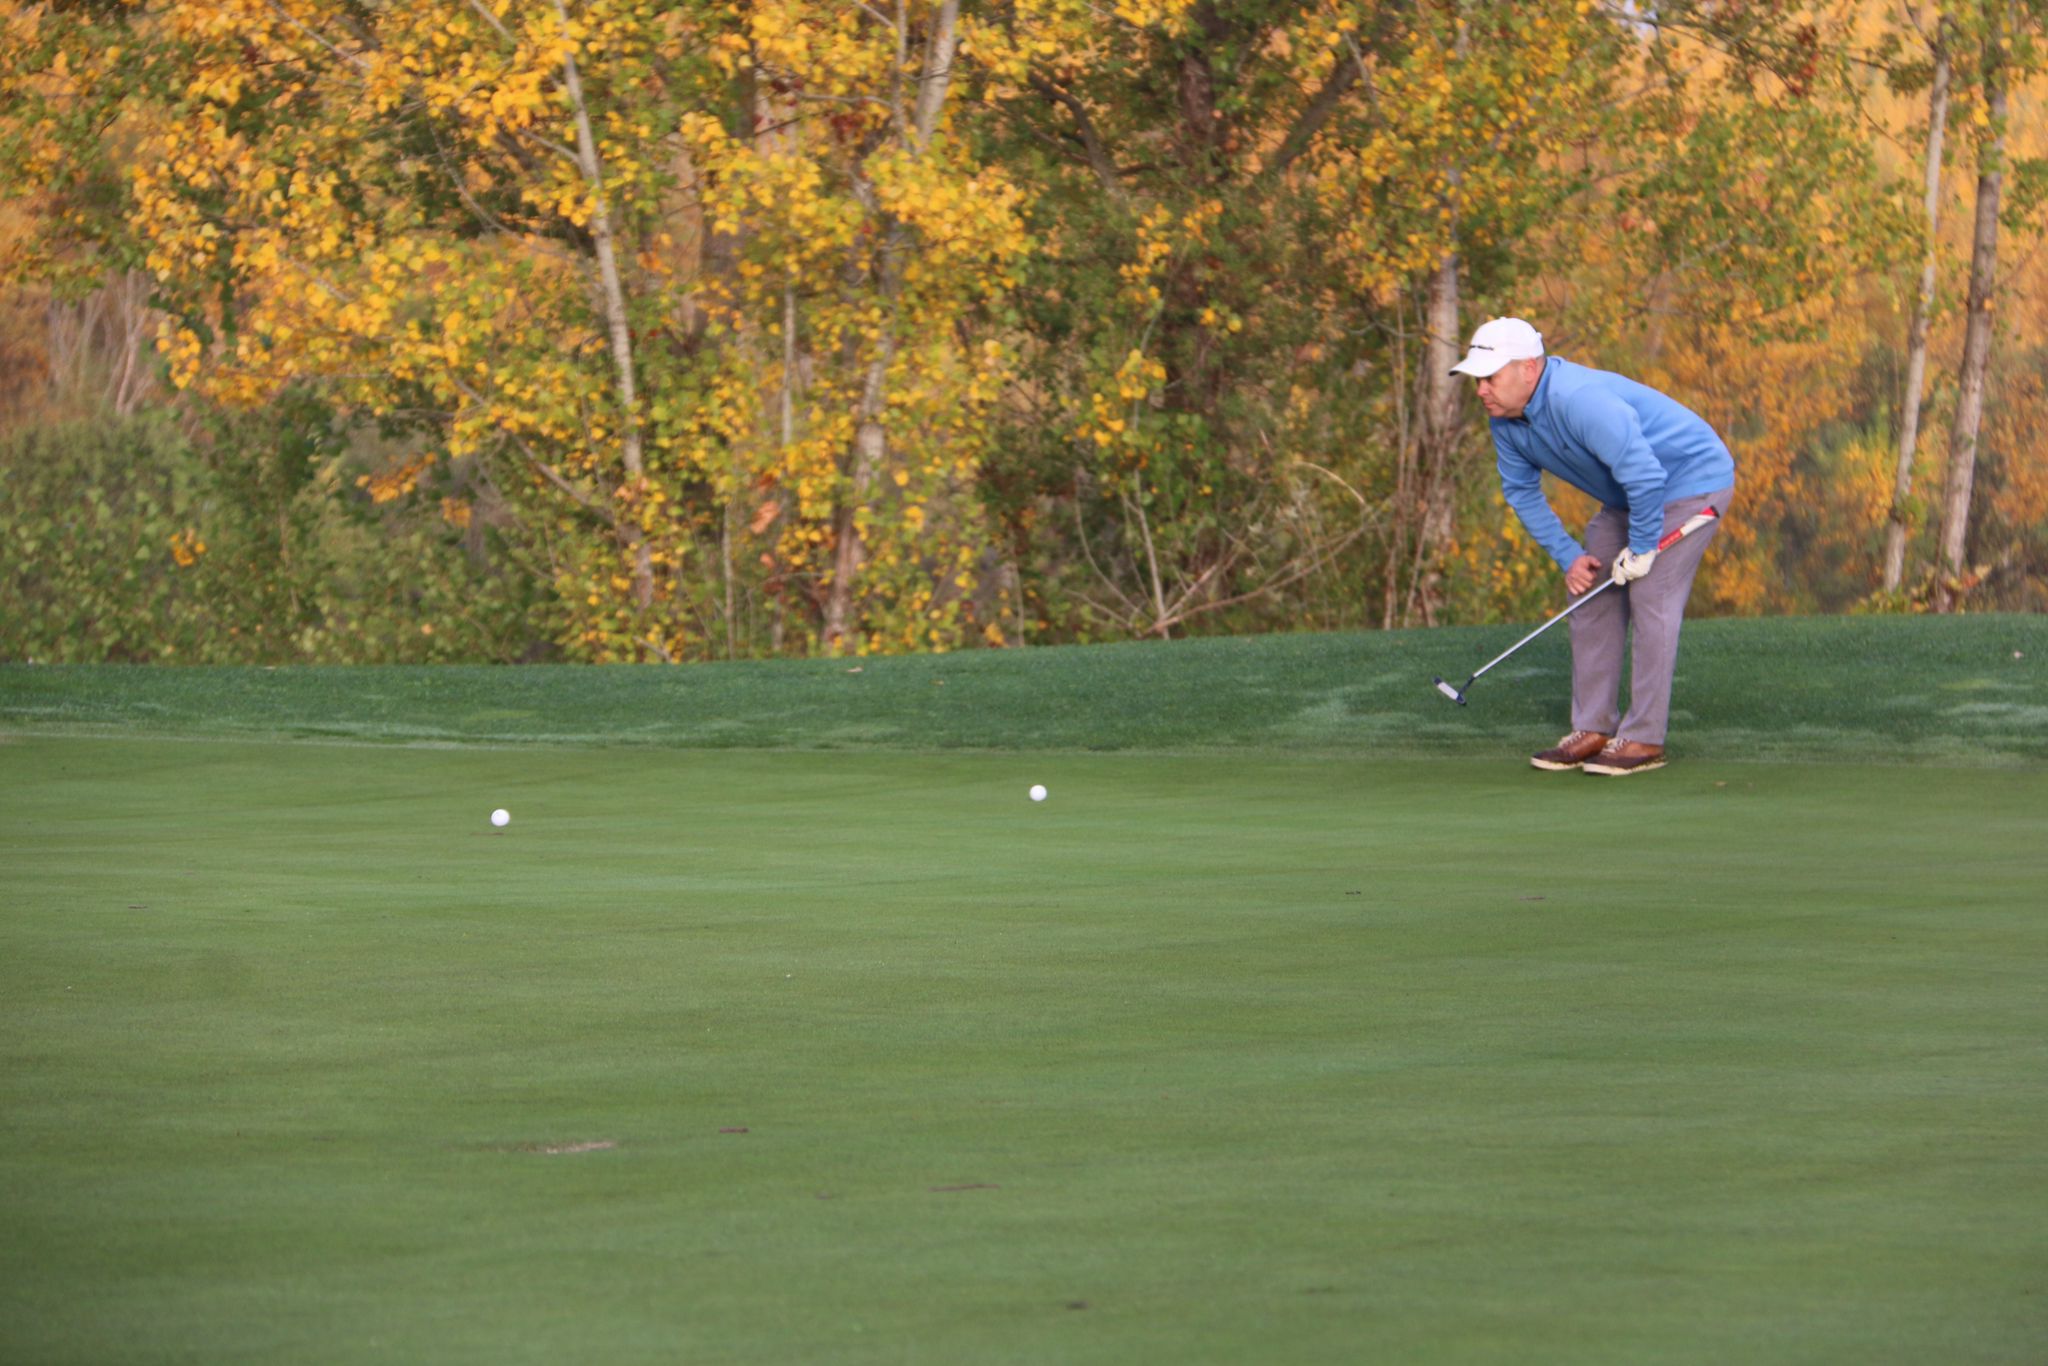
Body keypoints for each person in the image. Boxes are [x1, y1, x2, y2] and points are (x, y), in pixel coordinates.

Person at [1450, 317, 1735, 776]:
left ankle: (1643, 739)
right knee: (1590, 588)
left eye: (1490, 377)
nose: (1481, 389)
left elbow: (1646, 475)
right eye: (1477, 379)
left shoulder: (1579, 400)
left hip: (1691, 484)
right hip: (1630, 495)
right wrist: (1568, 556)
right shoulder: (1506, 421)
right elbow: (1522, 492)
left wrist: (1642, 547)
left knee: (1650, 593)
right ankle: (1593, 728)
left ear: (1528, 367)